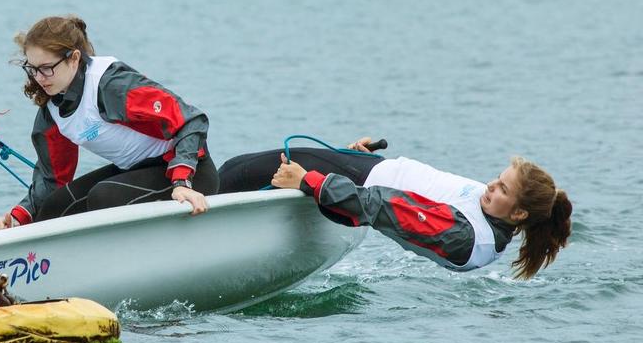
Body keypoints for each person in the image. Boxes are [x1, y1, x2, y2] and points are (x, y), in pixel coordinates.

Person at [222, 138, 572, 279]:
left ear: (520, 214)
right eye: (497, 177)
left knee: (237, 171)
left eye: (502, 188)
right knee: (241, 168)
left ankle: (181, 216)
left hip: (360, 185)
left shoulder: (463, 236)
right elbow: (427, 188)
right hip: (365, 171)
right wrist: (367, 157)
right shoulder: (492, 209)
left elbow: (380, 207)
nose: (491, 185)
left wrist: (309, 181)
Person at [0, 15, 218, 230]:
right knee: (55, 207)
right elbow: (52, 180)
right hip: (137, 172)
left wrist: (181, 182)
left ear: (74, 59)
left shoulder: (111, 85)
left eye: (46, 68)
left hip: (188, 174)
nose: (39, 78)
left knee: (103, 196)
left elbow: (192, 120)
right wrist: (19, 215)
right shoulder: (52, 112)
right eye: (32, 69)